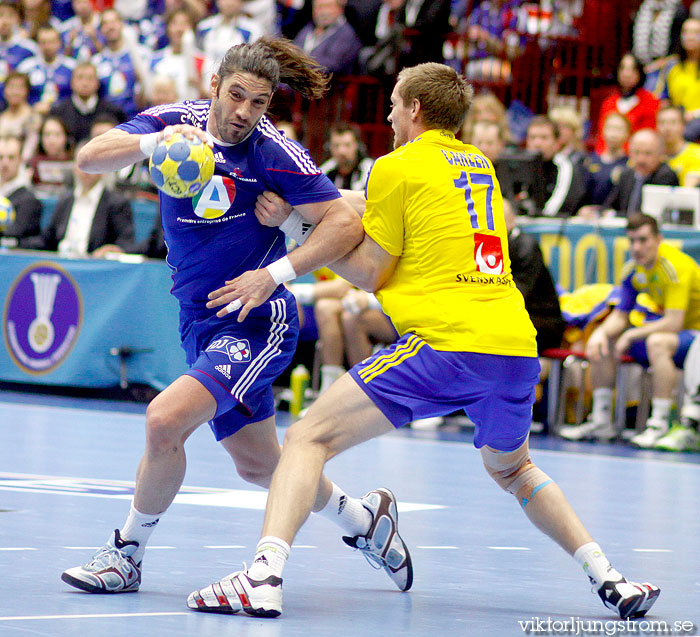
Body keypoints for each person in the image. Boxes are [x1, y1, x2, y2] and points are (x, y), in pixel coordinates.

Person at [196, 62, 660, 620]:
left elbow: (371, 271)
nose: (389, 114)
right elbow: (390, 210)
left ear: (414, 109)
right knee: (516, 470)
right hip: (514, 347)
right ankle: (609, 578)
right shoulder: (477, 164)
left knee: (305, 440)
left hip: (448, 344)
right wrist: (313, 200)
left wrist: (295, 228)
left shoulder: (397, 165)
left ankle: (263, 575)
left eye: (393, 103)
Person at [60, 37, 409, 600]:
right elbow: (88, 158)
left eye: (260, 103)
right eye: (237, 96)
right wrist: (158, 142)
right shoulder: (177, 123)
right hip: (199, 320)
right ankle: (365, 520)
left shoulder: (274, 152)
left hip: (256, 317)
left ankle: (126, 555)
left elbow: (344, 223)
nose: (245, 112)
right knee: (258, 464)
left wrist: (275, 273)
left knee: (163, 420)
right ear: (216, 84)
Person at [560, 213, 700, 448]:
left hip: (694, 336)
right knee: (605, 342)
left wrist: (631, 334)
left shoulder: (675, 267)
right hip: (673, 336)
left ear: (658, 239)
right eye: (632, 241)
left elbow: (674, 323)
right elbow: (620, 315)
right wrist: (601, 333)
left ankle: (659, 423)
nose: (637, 247)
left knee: (657, 341)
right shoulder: (632, 270)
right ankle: (602, 420)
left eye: (643, 240)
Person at [22, 139, 136, 257]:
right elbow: (48, 239)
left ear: (103, 168)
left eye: (92, 162)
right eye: (81, 162)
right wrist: (18, 243)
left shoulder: (116, 203)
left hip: (95, 267)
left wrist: (111, 251)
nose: (86, 169)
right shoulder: (66, 200)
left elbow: (126, 244)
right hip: (63, 264)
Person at [599, 128, 678, 217]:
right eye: (636, 152)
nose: (641, 159)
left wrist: (614, 214)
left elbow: (648, 216)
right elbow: (608, 206)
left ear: (660, 154)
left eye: (647, 153)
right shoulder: (627, 174)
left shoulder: (666, 176)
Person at [593, 53, 660, 155]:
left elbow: (648, 137)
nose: (627, 74)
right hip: (610, 157)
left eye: (633, 69)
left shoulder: (650, 101)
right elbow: (601, 138)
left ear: (639, 73)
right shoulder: (608, 103)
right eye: (623, 68)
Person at [49, 61, 126, 143]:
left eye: (90, 78)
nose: (85, 83)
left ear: (97, 83)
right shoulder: (58, 112)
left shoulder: (112, 112)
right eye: (80, 78)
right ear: (72, 82)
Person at [525, 115, 587, 217]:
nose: (537, 143)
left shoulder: (565, 167)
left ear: (557, 142)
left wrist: (535, 217)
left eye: (544, 138)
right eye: (532, 137)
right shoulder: (520, 165)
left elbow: (559, 205)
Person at [293, 0, 362, 76]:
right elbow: (293, 51)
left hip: (327, 83)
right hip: (297, 78)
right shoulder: (308, 29)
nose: (323, 12)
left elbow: (332, 65)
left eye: (327, 6)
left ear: (340, 9)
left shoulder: (346, 34)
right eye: (318, 7)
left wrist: (299, 64)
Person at [0, 134, 42, 247]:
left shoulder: (29, 200)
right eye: (0, 157)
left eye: (11, 157)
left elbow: (14, 233)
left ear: (20, 160)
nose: (5, 163)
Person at [319, 123, 374, 191]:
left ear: (357, 145)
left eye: (347, 145)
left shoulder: (369, 168)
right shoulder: (326, 169)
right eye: (336, 145)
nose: (341, 151)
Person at [657, 104, 700, 187]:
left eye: (672, 122)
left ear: (683, 126)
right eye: (662, 123)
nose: (667, 128)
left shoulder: (696, 154)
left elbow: (688, 191)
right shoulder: (652, 156)